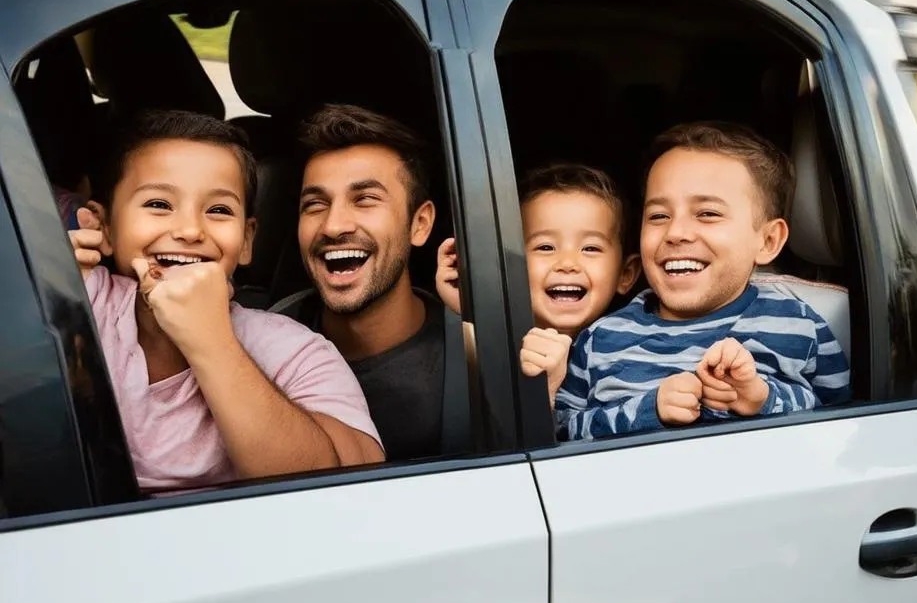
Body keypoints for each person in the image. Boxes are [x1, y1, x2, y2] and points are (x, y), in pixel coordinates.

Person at [69, 109, 383, 491]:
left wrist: (212, 342)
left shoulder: (293, 351)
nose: (188, 230)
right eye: (158, 204)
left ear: (247, 239)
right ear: (104, 227)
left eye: (218, 210)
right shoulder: (75, 301)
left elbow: (349, 487)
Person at [556, 121, 851, 440]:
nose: (676, 232)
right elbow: (562, 430)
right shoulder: (602, 338)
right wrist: (646, 412)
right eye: (658, 216)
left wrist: (762, 400)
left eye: (707, 213)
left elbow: (844, 425)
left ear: (767, 241)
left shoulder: (799, 325)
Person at [273, 104, 446, 462]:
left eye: (365, 199)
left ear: (420, 224)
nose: (334, 226)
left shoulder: (470, 358)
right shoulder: (258, 342)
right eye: (315, 204)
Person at [436, 162, 641, 406]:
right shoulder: (498, 347)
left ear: (626, 274)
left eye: (590, 248)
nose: (567, 263)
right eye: (545, 247)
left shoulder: (635, 354)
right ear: (508, 266)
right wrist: (475, 311)